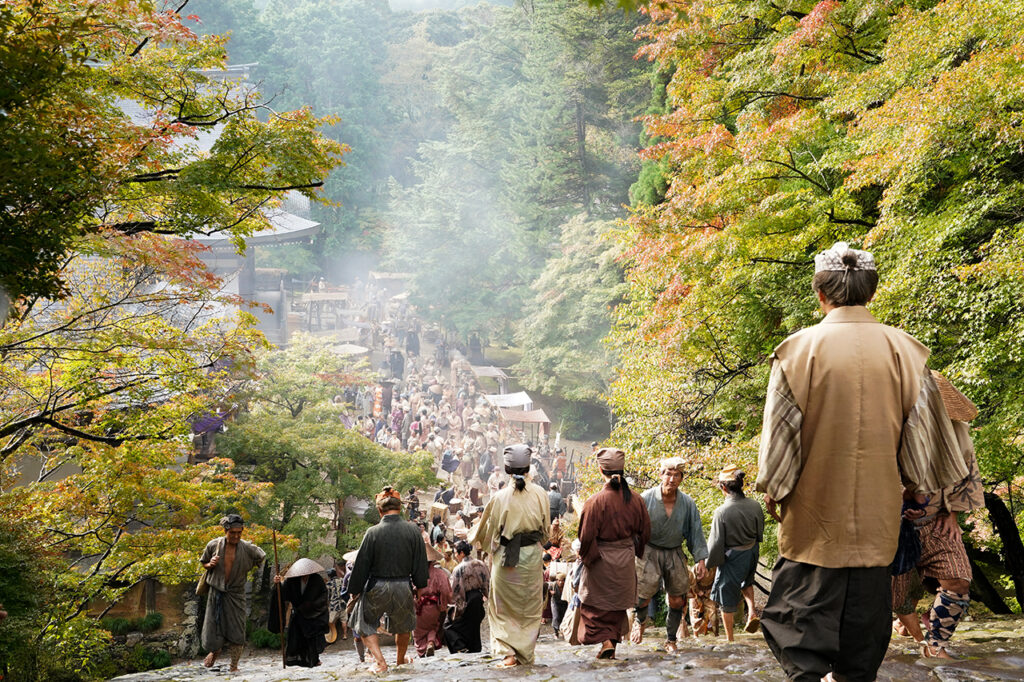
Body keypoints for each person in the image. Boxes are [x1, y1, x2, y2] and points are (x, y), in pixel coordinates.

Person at [756, 242, 968, 682]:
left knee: (800, 629)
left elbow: (781, 442)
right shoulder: (908, 352)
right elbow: (923, 448)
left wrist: (775, 489)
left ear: (820, 294)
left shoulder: (796, 352)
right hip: (877, 522)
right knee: (864, 637)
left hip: (813, 520)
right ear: (872, 293)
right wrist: (916, 486)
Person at [891, 371, 984, 658]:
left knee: (958, 581)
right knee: (899, 598)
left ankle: (935, 644)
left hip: (936, 520)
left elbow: (967, 473)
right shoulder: (889, 428)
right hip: (892, 526)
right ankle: (915, 637)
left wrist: (953, 513)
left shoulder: (957, 436)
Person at [469, 443, 550, 667]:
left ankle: (508, 653)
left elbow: (487, 532)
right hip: (532, 557)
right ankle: (525, 652)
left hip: (506, 559)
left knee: (501, 607)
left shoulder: (500, 497)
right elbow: (546, 532)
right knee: (530, 607)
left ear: (506, 470)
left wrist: (481, 543)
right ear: (528, 468)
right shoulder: (541, 494)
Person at [577, 447, 652, 659]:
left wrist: (588, 559)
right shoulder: (636, 500)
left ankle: (607, 641)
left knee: (594, 606)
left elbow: (586, 537)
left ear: (601, 470)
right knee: (617, 605)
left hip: (601, 559)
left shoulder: (595, 502)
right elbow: (645, 532)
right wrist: (634, 550)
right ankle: (611, 644)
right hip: (625, 558)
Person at [346, 487, 430, 674]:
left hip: (377, 586)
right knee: (404, 624)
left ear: (379, 510)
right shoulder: (413, 531)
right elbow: (420, 562)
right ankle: (400, 660)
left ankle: (381, 662)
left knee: (363, 621)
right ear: (400, 508)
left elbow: (362, 565)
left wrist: (355, 589)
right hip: (403, 586)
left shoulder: (372, 532)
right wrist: (421, 586)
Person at [632, 457, 708, 652]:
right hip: (649, 551)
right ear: (661, 475)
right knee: (643, 596)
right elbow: (633, 529)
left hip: (674, 551)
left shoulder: (687, 503)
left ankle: (671, 639)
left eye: (676, 475)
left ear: (681, 478)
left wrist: (700, 559)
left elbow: (695, 532)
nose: (671, 479)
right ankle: (639, 621)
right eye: (668, 474)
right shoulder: (646, 498)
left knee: (677, 598)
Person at [198, 514, 266, 671]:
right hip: (216, 592)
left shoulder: (247, 548)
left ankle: (234, 665)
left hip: (236, 593)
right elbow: (204, 563)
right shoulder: (213, 545)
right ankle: (215, 652)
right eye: (232, 533)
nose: (236, 536)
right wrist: (210, 564)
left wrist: (251, 565)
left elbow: (261, 556)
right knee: (213, 626)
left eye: (239, 533)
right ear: (225, 531)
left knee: (237, 628)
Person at [705, 465, 764, 641]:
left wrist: (709, 563)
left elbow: (716, 542)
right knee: (747, 581)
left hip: (732, 557)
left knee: (726, 599)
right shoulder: (755, 505)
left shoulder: (722, 512)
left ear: (723, 487)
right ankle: (752, 611)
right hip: (752, 551)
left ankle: (730, 639)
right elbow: (759, 531)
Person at [269, 559, 330, 667]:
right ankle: (295, 660)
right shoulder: (292, 581)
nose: (305, 575)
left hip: (312, 614)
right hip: (298, 615)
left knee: (311, 639)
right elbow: (283, 593)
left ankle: (314, 660)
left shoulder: (317, 580)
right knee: (296, 638)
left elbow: (323, 596)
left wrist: (310, 605)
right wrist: (278, 584)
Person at [444, 540, 490, 653]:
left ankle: (460, 646)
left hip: (467, 599)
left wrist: (456, 607)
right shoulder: (481, 564)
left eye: (456, 553)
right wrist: (486, 596)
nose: (455, 556)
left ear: (461, 553)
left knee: (448, 626)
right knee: (473, 626)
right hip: (478, 599)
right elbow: (486, 583)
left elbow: (456, 590)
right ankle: (474, 648)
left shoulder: (459, 568)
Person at [414, 541, 453, 657]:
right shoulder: (440, 573)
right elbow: (446, 591)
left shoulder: (414, 574)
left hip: (418, 607)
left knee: (418, 632)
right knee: (433, 627)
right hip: (434, 607)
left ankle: (422, 651)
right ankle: (430, 642)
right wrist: (443, 606)